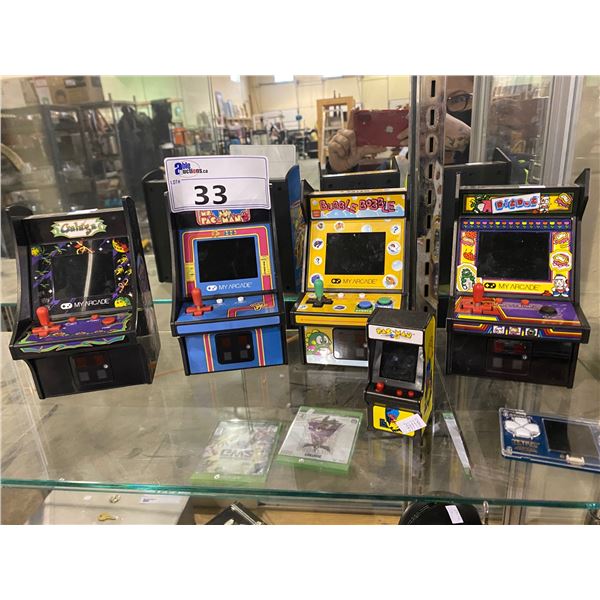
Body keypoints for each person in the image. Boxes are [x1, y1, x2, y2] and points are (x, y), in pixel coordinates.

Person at [327, 76, 474, 173]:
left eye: (458, 99)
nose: (437, 116)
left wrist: (468, 139)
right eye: (430, 104)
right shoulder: (403, 163)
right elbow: (360, 204)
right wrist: (341, 170)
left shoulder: (484, 154)